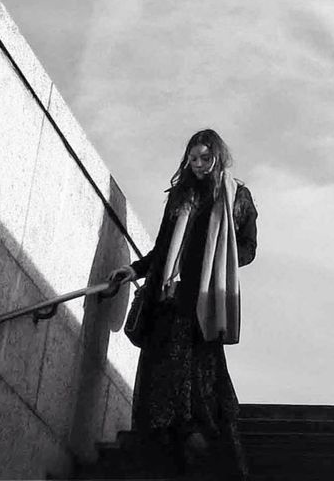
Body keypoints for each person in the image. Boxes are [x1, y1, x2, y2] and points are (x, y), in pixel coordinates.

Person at [109, 129, 257, 477]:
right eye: (194, 159)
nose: (200, 165)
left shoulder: (238, 197)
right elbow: (163, 247)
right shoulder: (182, 195)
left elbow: (248, 248)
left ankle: (200, 458)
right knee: (160, 389)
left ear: (218, 157)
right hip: (169, 300)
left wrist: (224, 255)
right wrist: (135, 269)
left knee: (201, 389)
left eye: (206, 158)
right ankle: (165, 459)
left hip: (204, 303)